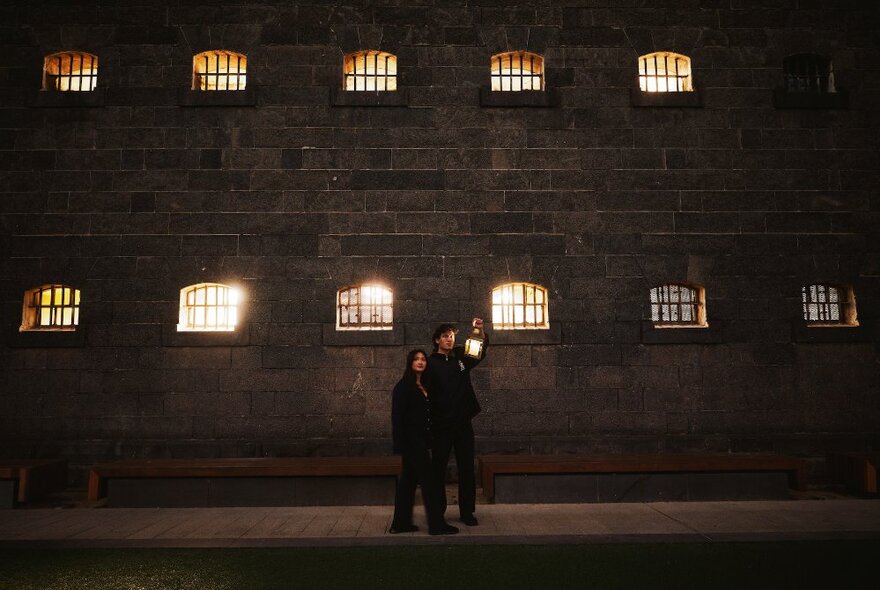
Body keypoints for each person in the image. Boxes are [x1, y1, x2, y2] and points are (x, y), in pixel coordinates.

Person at [390, 349, 459, 535]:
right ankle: (437, 525)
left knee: (408, 483)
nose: (420, 362)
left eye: (423, 359)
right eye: (416, 359)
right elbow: (397, 419)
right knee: (429, 482)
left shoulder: (426, 385)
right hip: (412, 443)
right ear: (410, 362)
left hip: (421, 440)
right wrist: (400, 446)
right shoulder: (403, 387)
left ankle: (400, 524)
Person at [428, 318, 488, 526]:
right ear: (437, 340)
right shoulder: (429, 364)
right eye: (445, 336)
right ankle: (437, 511)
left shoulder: (461, 356)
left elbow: (479, 347)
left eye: (452, 336)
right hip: (441, 426)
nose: (449, 339)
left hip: (463, 424)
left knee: (466, 468)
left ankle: (467, 512)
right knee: (438, 469)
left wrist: (478, 330)